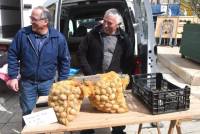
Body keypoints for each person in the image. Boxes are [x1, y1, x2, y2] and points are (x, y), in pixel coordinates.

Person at [7, 6, 71, 126]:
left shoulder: (58, 38)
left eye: (34, 18)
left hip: (47, 83)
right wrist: (13, 76)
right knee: (28, 113)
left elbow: (65, 61)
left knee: (48, 113)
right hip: (27, 83)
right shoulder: (23, 34)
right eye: (31, 18)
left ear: (45, 21)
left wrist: (62, 82)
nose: (31, 21)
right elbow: (12, 55)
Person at [78, 8, 133, 134]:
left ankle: (118, 130)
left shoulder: (124, 39)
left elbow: (129, 59)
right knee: (90, 108)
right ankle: (87, 131)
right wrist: (89, 74)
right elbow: (81, 53)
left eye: (110, 23)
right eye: (105, 21)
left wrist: (121, 77)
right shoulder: (93, 34)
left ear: (117, 24)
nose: (105, 25)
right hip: (94, 79)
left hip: (113, 82)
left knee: (114, 107)